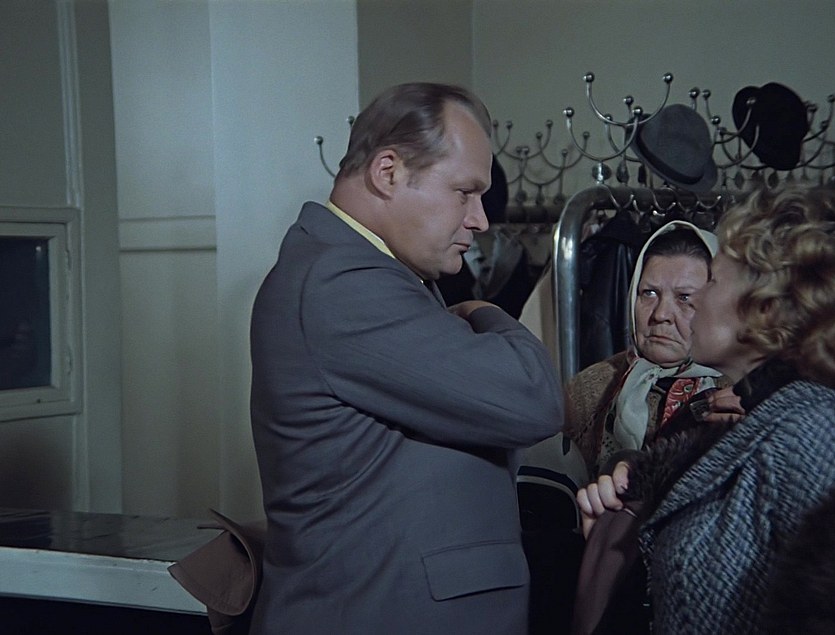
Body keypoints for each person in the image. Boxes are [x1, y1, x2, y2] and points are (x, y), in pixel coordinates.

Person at [248, 82, 563, 634]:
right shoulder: (343, 282)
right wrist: (485, 311)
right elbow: (532, 399)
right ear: (388, 172)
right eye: (464, 192)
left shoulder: (378, 272)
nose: (480, 220)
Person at [578, 185, 835, 632]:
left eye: (711, 281)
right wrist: (618, 533)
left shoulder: (811, 431)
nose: (689, 305)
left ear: (764, 307)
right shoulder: (758, 422)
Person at [564, 219, 741, 479]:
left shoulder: (738, 393)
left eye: (684, 298)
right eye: (649, 293)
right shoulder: (590, 389)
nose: (660, 315)